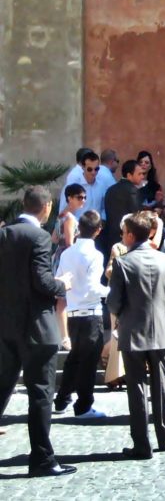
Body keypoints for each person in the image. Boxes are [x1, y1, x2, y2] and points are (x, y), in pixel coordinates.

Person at [0, 186, 75, 477]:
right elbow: (42, 282)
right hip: (37, 328)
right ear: (46, 207)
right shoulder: (39, 237)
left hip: (6, 326)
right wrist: (63, 284)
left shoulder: (4, 234)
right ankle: (42, 459)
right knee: (41, 394)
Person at [107, 211, 165, 459]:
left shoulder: (123, 263)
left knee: (137, 386)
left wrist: (122, 314)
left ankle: (142, 444)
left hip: (132, 330)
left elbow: (113, 302)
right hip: (161, 330)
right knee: (160, 384)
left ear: (130, 235)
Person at [53, 210, 109, 420]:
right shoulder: (95, 255)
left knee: (74, 359)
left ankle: (62, 400)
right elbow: (94, 287)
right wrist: (111, 291)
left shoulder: (67, 253)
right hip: (90, 311)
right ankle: (84, 405)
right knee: (88, 361)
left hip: (73, 312)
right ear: (98, 231)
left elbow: (60, 281)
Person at [104, 160, 145, 251]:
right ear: (129, 175)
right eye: (139, 174)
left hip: (110, 238)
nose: (142, 176)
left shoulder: (110, 190)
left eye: (143, 174)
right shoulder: (132, 191)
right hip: (127, 240)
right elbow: (137, 216)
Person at [58, 150, 106, 219]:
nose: (93, 172)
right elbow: (62, 213)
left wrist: (103, 219)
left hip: (95, 227)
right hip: (77, 227)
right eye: (89, 169)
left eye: (96, 169)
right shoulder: (72, 186)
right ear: (83, 167)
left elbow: (103, 208)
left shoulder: (101, 185)